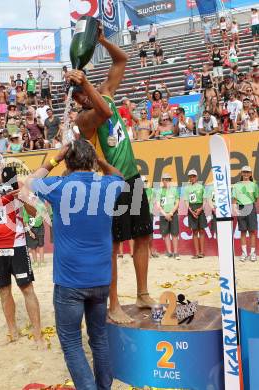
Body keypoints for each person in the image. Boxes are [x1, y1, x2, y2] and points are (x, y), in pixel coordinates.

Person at [70, 24, 154, 324]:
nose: (82, 98)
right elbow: (103, 112)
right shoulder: (84, 120)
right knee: (114, 246)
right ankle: (114, 304)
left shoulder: (105, 93)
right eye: (78, 95)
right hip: (110, 185)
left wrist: (103, 40)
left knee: (143, 236)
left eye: (83, 92)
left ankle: (143, 293)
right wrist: (85, 85)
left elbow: (122, 61)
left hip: (131, 177)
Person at [24, 140, 124, 390]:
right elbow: (120, 175)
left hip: (70, 280)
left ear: (68, 161)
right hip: (101, 278)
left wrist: (54, 159)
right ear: (91, 161)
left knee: (70, 342)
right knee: (99, 338)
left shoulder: (59, 185)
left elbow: (29, 182)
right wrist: (100, 160)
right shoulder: (108, 185)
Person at [0, 150, 43, 344]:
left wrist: (20, 197)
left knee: (27, 289)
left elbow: (33, 211)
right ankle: (13, 332)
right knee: (4, 291)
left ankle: (38, 335)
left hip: (17, 244)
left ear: (1, 165)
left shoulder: (17, 185)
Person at [232, 166, 258, 262]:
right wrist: (235, 208)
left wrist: (248, 203)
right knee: (243, 231)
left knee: (252, 232)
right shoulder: (237, 185)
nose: (246, 174)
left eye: (248, 172)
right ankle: (244, 253)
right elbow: (234, 199)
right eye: (244, 172)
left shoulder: (254, 185)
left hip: (250, 207)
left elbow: (255, 199)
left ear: (250, 174)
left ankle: (252, 253)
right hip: (241, 208)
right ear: (241, 173)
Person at [184, 170, 207, 259]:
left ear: (196, 177)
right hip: (191, 208)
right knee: (194, 231)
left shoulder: (201, 187)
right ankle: (197, 253)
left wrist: (200, 209)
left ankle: (202, 252)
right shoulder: (187, 188)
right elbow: (186, 201)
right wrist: (191, 210)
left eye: (193, 176)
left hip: (200, 207)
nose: (192, 178)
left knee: (201, 230)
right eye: (190, 176)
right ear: (189, 178)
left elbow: (204, 199)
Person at [156, 173, 180, 259]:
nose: (167, 181)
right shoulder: (159, 191)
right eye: (165, 179)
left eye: (168, 179)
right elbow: (158, 205)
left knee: (174, 234)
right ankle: (169, 252)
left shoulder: (174, 190)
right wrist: (165, 214)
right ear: (162, 180)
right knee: (165, 234)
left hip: (173, 214)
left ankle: (176, 253)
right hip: (163, 215)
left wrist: (171, 213)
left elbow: (177, 203)